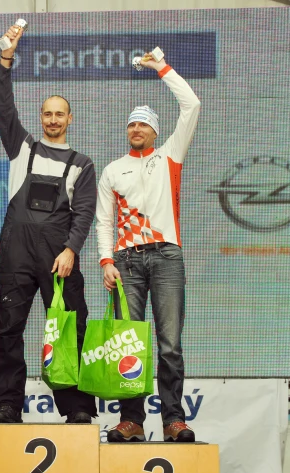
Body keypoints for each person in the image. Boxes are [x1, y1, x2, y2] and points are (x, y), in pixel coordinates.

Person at [0, 23, 97, 424]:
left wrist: (71, 250)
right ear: (41, 117)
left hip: (59, 259)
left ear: (70, 118)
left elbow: (84, 213)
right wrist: (6, 60)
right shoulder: (22, 148)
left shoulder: (82, 164)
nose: (53, 120)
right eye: (47, 114)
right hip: (16, 255)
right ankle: (7, 405)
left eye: (59, 114)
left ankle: (78, 408)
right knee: (8, 331)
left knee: (70, 330)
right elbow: (3, 107)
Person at [96, 50, 201, 442]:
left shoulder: (170, 156)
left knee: (170, 345)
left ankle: (174, 420)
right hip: (126, 262)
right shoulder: (112, 170)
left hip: (167, 257)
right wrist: (106, 260)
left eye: (144, 124)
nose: (136, 128)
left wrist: (162, 68)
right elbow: (104, 221)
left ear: (156, 132)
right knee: (130, 343)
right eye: (132, 124)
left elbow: (192, 105)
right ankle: (132, 421)